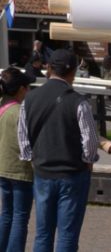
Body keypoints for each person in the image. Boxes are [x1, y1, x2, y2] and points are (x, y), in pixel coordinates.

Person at [17, 49, 100, 252]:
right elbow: (90, 140)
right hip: (72, 174)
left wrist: (32, 158)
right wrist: (88, 160)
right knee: (67, 235)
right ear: (73, 72)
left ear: (49, 68)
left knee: (43, 233)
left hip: (43, 172)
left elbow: (23, 137)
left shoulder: (29, 99)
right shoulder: (79, 101)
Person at [0, 68, 36, 252]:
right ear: (21, 89)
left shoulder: (2, 107)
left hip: (3, 168)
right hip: (21, 171)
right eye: (27, 87)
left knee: (6, 214)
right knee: (20, 217)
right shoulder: (20, 112)